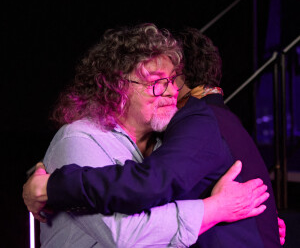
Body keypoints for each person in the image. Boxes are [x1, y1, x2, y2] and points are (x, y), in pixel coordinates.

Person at [23, 24, 274, 247]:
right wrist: (214, 210)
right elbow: (126, 235)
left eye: (173, 80)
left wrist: (248, 223)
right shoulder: (78, 138)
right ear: (117, 87)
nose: (171, 91)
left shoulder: (167, 143)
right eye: (157, 82)